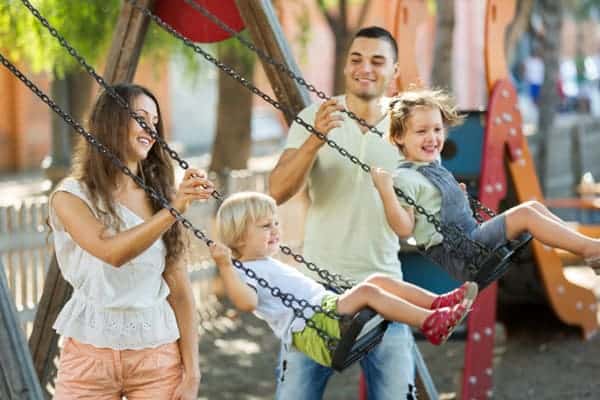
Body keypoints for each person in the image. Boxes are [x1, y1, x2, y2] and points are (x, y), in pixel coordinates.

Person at [269, 26, 416, 399]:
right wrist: (315, 140)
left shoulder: (407, 129)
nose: (364, 68)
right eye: (356, 59)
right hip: (317, 294)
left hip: (385, 291)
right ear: (346, 67)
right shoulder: (314, 116)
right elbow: (277, 191)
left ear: (394, 71)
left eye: (377, 61)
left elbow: (413, 220)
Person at [48, 84, 213, 399]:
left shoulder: (159, 198)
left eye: (155, 120)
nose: (151, 128)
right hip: (88, 359)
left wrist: (192, 372)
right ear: (110, 123)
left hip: (157, 357)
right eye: (140, 117)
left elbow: (179, 290)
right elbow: (112, 252)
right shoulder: (71, 196)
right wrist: (174, 210)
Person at [209, 192, 478, 367]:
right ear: (240, 237)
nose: (275, 230)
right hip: (313, 326)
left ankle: (438, 304)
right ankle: (430, 324)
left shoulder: (263, 262)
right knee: (368, 292)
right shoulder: (242, 270)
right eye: (265, 226)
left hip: (323, 310)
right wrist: (223, 265)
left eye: (275, 223)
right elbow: (246, 303)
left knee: (377, 280)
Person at [370, 88, 600, 281]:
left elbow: (439, 209)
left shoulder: (432, 164)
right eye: (421, 131)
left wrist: (456, 198)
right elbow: (404, 229)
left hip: (469, 239)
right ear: (398, 137)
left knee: (533, 207)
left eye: (437, 129)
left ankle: (587, 248)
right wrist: (386, 190)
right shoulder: (403, 178)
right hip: (460, 254)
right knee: (526, 215)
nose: (432, 138)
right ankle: (589, 247)